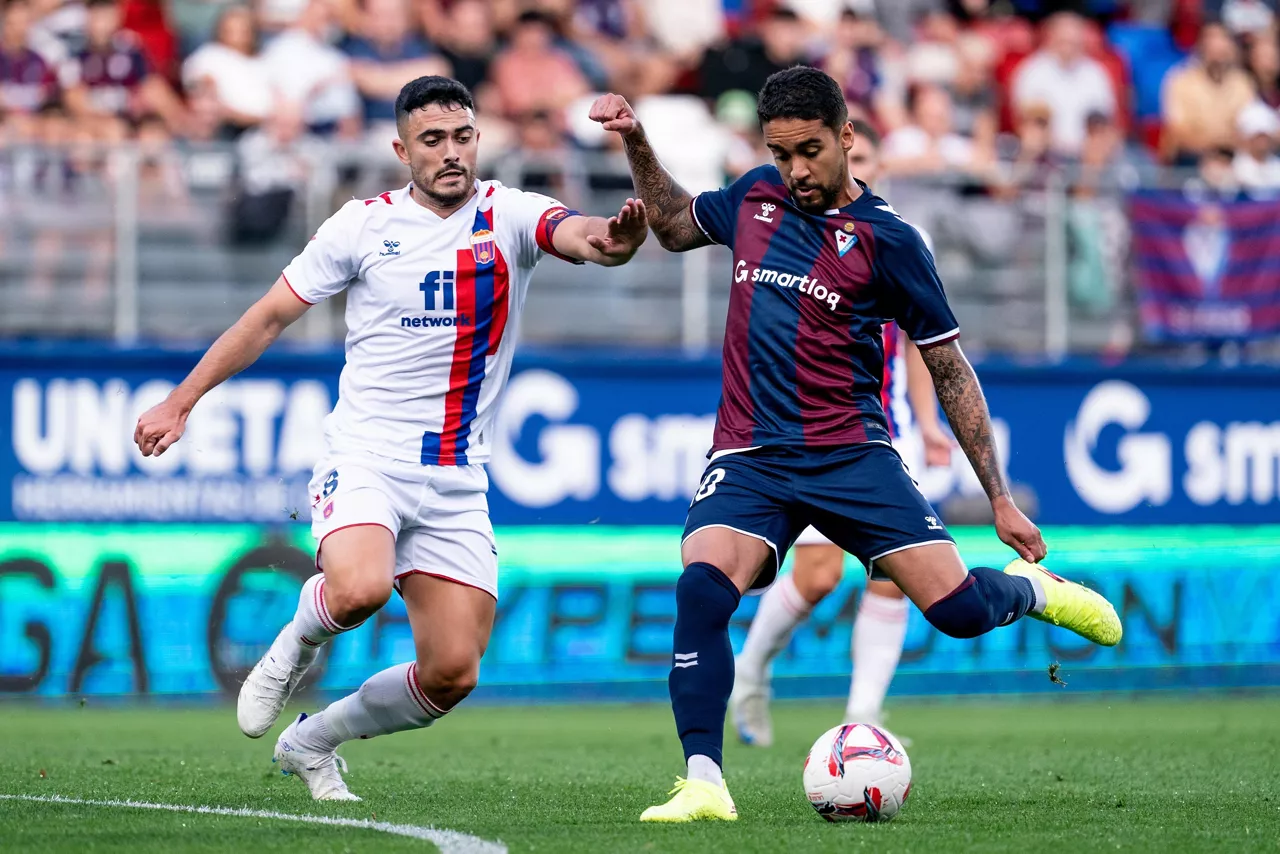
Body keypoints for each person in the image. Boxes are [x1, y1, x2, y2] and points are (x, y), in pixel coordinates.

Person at [589, 66, 1122, 823]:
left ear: (845, 137)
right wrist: (638, 142)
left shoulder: (890, 240)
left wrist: (999, 498)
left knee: (959, 612)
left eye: (809, 151)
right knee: (701, 588)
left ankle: (1033, 591)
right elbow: (674, 227)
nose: (795, 171)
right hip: (751, 454)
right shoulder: (755, 196)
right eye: (781, 154)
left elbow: (949, 368)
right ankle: (704, 782)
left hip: (852, 455)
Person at [134, 76, 648, 801]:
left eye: (462, 136)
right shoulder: (361, 226)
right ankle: (294, 644)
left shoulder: (508, 214)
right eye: (432, 140)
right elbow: (268, 316)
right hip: (367, 456)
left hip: (458, 476)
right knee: (359, 590)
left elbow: (586, 236)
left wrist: (616, 240)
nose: (451, 152)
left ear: (478, 139)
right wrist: (181, 401)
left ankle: (312, 741)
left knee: (452, 673)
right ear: (403, 151)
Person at [729, 118, 953, 750]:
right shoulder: (795, 228)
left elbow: (922, 343)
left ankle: (864, 719)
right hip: (813, 428)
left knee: (894, 572)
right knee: (820, 574)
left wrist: (928, 422)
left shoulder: (900, 238)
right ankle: (751, 669)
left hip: (881, 428)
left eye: (875, 159)